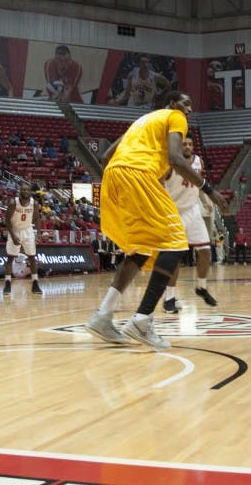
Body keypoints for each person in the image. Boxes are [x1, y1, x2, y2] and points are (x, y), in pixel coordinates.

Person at [85, 92, 226, 350]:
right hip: (138, 175)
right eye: (186, 104)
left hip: (114, 177)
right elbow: (175, 157)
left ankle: (103, 315)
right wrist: (209, 190)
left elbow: (106, 156)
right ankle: (142, 319)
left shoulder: (144, 121)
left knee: (141, 248)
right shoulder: (175, 117)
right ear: (172, 104)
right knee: (175, 242)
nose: (190, 110)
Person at [161, 138, 219, 313]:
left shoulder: (198, 161)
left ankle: (201, 287)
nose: (187, 147)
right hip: (174, 212)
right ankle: (169, 297)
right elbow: (157, 183)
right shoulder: (170, 162)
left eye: (190, 144)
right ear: (178, 146)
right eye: (184, 144)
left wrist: (205, 201)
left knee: (205, 251)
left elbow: (198, 183)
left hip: (193, 210)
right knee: (175, 257)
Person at [3, 184, 42, 295]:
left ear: (30, 192)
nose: (25, 191)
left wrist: (38, 233)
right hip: (15, 230)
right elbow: (7, 220)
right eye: (23, 189)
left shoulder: (34, 203)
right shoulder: (13, 203)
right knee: (10, 258)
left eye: (27, 190)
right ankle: (7, 283)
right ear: (20, 191)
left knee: (32, 257)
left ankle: (35, 283)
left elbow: (37, 218)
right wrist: (13, 235)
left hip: (28, 230)